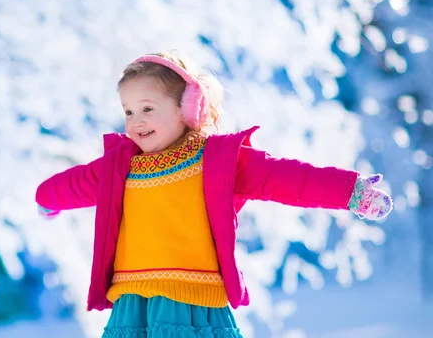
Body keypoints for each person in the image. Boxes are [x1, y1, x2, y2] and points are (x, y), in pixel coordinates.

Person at [35, 51, 393, 338]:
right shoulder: (119, 167)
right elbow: (74, 184)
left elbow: (284, 177)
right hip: (134, 307)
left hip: (192, 306)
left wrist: (350, 191)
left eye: (147, 108)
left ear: (187, 109)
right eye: (128, 111)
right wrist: (46, 199)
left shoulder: (217, 161)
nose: (135, 121)